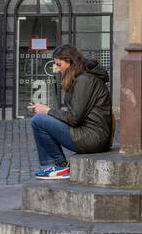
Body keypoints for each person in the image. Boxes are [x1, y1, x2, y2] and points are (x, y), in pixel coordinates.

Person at [29, 45, 113, 180]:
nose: (57, 69)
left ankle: (60, 166)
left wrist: (48, 111)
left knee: (38, 121)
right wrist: (50, 113)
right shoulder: (82, 78)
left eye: (59, 64)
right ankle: (59, 165)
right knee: (42, 118)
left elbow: (74, 118)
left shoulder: (85, 80)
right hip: (90, 133)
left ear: (69, 61)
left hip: (92, 137)